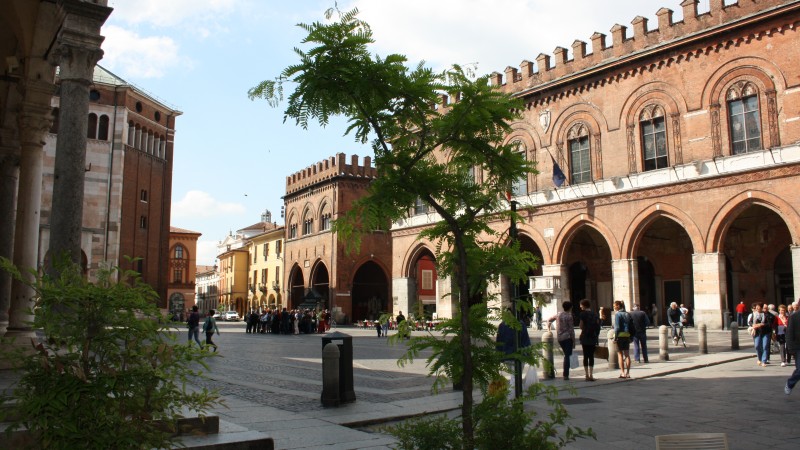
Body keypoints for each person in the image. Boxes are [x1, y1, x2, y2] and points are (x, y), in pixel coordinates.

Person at [547, 301, 575, 381]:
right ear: (570, 307)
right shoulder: (569, 316)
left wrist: (548, 328)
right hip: (567, 337)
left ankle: (565, 374)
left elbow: (549, 319)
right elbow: (571, 329)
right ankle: (565, 374)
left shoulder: (558, 314)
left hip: (560, 338)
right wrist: (573, 340)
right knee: (567, 356)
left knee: (566, 355)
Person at [577, 299, 600, 381]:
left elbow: (580, 326)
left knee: (585, 356)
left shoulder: (582, 314)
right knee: (591, 356)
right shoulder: (595, 314)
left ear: (584, 305)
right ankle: (591, 374)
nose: (580, 306)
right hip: (593, 337)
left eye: (581, 305)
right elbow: (598, 325)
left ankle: (586, 375)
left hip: (585, 337)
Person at [613, 300, 633, 378]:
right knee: (627, 355)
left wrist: (615, 338)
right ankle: (628, 373)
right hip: (627, 335)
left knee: (620, 354)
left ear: (618, 306)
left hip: (620, 336)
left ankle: (622, 372)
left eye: (614, 306)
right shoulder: (628, 314)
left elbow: (617, 327)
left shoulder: (618, 314)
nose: (614, 307)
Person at [748, 302, 772, 366]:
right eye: (756, 307)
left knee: (765, 346)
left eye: (758, 306)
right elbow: (750, 322)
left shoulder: (765, 314)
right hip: (757, 332)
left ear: (761, 307)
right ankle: (759, 358)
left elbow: (769, 324)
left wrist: (761, 324)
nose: (757, 308)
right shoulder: (754, 314)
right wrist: (753, 325)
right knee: (757, 345)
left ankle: (764, 361)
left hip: (765, 332)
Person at [785, 300, 800, 395]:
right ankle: (790, 383)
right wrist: (790, 348)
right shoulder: (794, 316)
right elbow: (789, 333)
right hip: (798, 346)